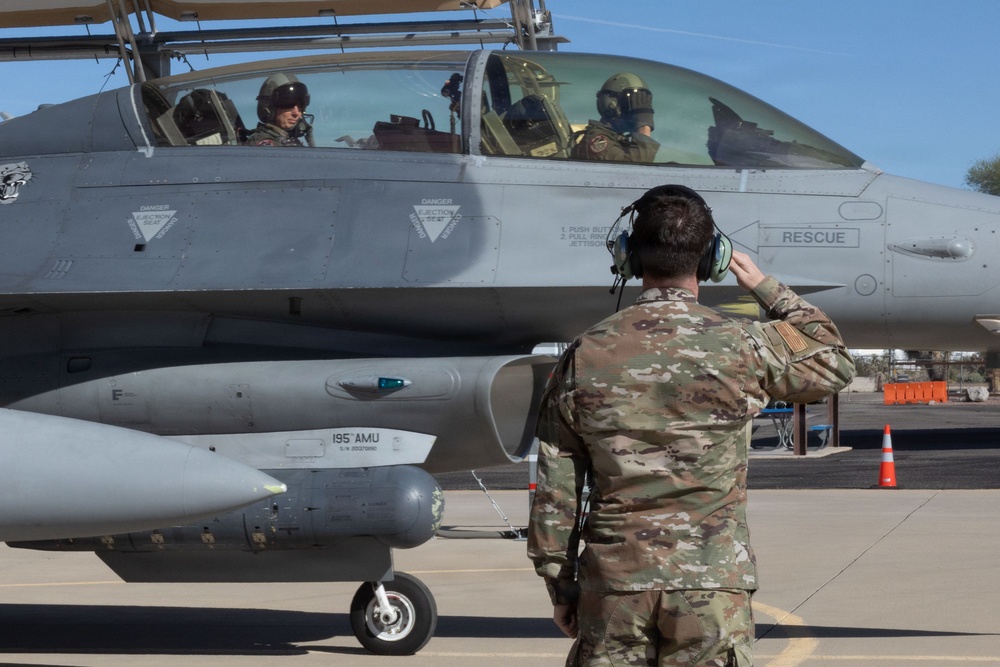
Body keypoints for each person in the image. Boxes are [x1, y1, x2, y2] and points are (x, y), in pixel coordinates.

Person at [527, 184, 855, 666]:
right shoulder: (743, 343)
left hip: (616, 584)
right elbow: (834, 363)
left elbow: (558, 488)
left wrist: (561, 585)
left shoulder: (585, 352)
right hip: (711, 583)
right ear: (712, 260)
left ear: (628, 258)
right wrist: (768, 288)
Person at [572, 72, 660, 163]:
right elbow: (631, 171)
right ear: (610, 104)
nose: (636, 111)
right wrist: (643, 125)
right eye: (631, 103)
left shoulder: (617, 139)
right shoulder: (597, 140)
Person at [245, 73, 314, 147]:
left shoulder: (288, 139)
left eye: (301, 106)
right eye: (288, 105)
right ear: (269, 108)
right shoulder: (264, 143)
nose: (296, 113)